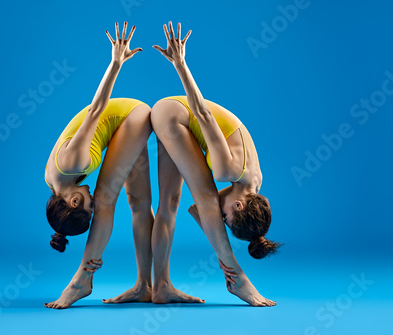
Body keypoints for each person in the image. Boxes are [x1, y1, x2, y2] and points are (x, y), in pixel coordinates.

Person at [149, 22, 279, 306]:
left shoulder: (253, 184)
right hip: (173, 114)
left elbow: (197, 210)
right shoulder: (229, 170)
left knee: (169, 204)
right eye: (227, 217)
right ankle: (239, 281)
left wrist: (214, 226)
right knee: (205, 200)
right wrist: (180, 63)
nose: (221, 215)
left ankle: (161, 287)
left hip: (178, 122)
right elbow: (204, 114)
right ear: (239, 206)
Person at [44, 22, 154, 309]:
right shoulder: (55, 184)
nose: (89, 199)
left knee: (107, 200)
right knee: (140, 204)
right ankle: (144, 285)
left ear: (69, 200)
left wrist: (116, 62)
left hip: (132, 116)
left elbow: (95, 109)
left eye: (83, 203)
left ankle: (82, 280)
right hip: (123, 126)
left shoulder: (71, 165)